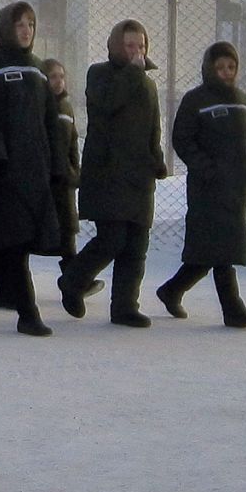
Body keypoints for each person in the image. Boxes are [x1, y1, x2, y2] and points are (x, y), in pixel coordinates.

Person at [58, 19, 168, 327]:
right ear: (116, 46)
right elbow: (107, 104)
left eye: (141, 46)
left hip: (138, 175)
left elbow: (153, 127)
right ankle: (73, 280)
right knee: (112, 239)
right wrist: (133, 72)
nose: (137, 53)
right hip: (109, 172)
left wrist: (156, 159)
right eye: (130, 46)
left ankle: (124, 306)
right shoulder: (100, 75)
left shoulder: (148, 83)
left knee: (136, 244)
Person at [0, 2, 66, 336]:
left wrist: (57, 165)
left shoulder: (38, 68)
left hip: (34, 171)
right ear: (5, 27)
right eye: (19, 24)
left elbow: (50, 122)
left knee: (11, 245)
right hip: (3, 171)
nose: (26, 30)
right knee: (16, 244)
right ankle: (28, 314)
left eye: (31, 24)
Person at [156, 42, 246, 328]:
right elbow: (182, 139)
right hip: (208, 189)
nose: (226, 73)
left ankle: (171, 290)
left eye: (231, 67)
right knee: (221, 251)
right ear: (209, 69)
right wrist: (207, 168)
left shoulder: (242, 100)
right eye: (220, 68)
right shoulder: (196, 100)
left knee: (209, 252)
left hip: (237, 189)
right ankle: (233, 310)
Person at [45, 59, 82, 262]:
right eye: (53, 77)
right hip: (49, 179)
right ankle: (73, 277)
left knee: (68, 230)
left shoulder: (66, 107)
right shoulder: (42, 106)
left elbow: (72, 142)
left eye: (61, 76)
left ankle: (71, 276)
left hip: (65, 179)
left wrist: (74, 171)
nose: (58, 81)